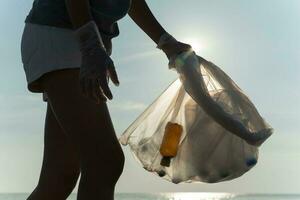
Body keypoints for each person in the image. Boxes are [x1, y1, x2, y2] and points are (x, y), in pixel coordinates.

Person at [20, 0, 191, 199]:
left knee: (59, 176)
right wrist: (89, 44)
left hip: (73, 38)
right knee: (104, 162)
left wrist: (165, 41)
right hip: (62, 33)